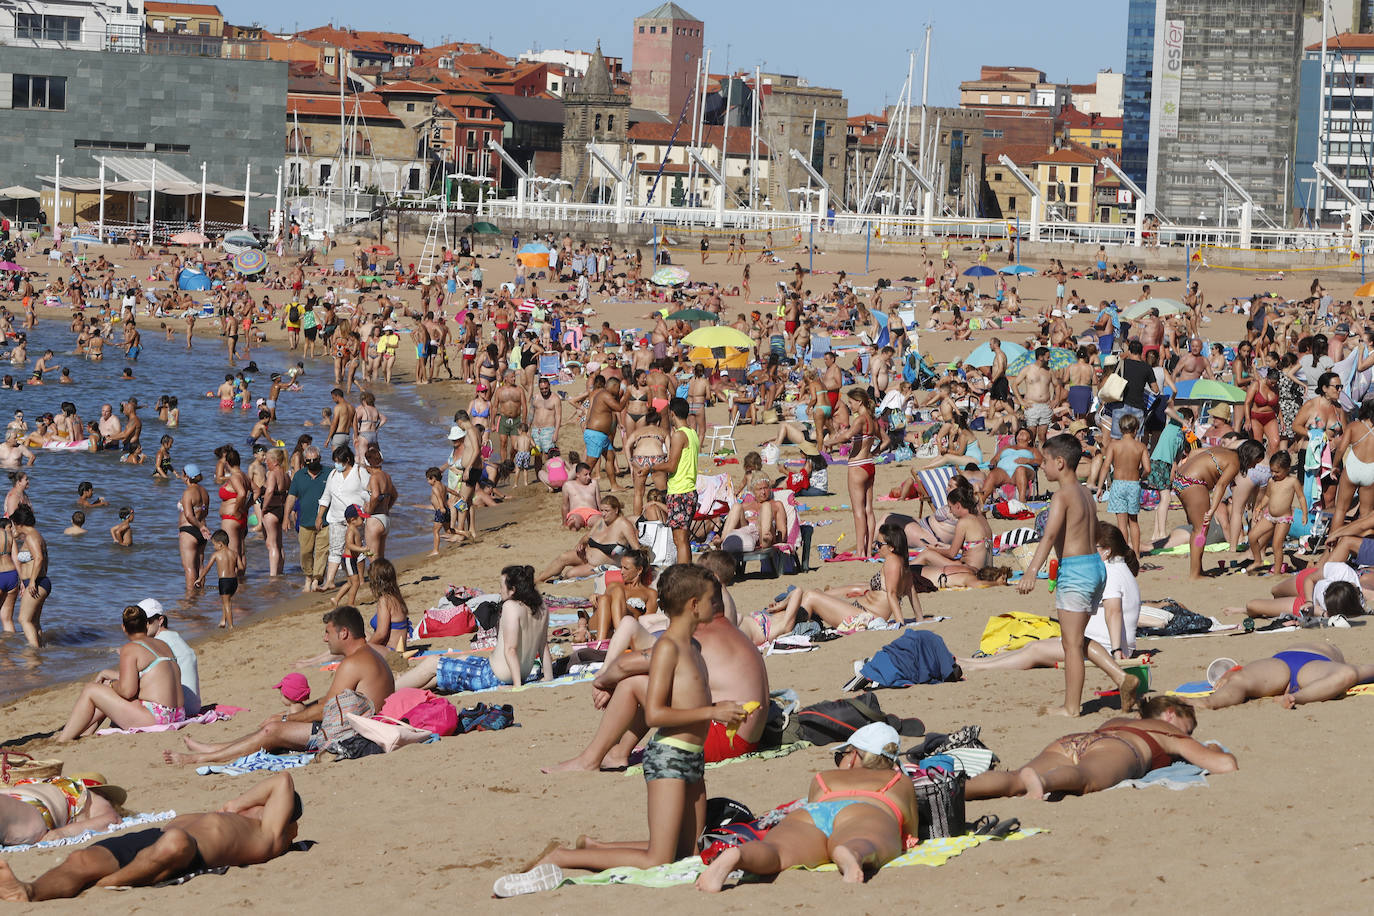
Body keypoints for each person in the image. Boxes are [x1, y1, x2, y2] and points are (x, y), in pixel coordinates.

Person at [499, 565, 744, 896]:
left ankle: (593, 847)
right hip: (669, 757)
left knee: (687, 855)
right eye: (708, 598)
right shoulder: (668, 648)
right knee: (658, 860)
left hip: (693, 759)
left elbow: (689, 696)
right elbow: (656, 712)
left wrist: (722, 711)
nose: (715, 602)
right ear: (692, 605)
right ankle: (563, 857)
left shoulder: (694, 647)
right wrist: (713, 711)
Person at [0, 773, 302, 901]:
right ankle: (30, 891)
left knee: (176, 843)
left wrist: (237, 803)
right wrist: (235, 808)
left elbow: (282, 780)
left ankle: (108, 883)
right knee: (81, 858)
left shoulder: (273, 834)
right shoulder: (233, 819)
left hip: (185, 851)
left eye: (264, 806)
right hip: (153, 836)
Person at [695, 722, 919, 892]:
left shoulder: (824, 778)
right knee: (864, 839)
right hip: (865, 809)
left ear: (853, 757)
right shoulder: (898, 781)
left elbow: (818, 817)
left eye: (841, 755)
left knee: (777, 852)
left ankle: (738, 856)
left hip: (811, 815)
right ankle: (852, 852)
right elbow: (908, 831)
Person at [163, 607, 394, 766]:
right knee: (277, 724)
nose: (325, 639)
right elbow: (331, 702)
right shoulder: (370, 656)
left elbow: (327, 710)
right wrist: (288, 715)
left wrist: (285, 720)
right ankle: (216, 748)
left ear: (344, 633)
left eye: (328, 633)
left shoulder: (353, 663)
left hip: (351, 735)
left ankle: (201, 758)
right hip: (362, 727)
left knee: (272, 731)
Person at [1017, 434, 1139, 716]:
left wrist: (1031, 572)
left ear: (1060, 463)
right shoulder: (1085, 492)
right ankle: (1122, 678)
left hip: (1076, 571)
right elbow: (1095, 531)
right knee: (1076, 638)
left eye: (1045, 462)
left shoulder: (1062, 495)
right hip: (1095, 567)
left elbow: (1048, 536)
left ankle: (1071, 707)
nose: (1042, 467)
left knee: (1070, 645)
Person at [964, 696, 1236, 800]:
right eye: (1188, 727)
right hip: (1118, 747)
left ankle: (956, 791)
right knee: (1086, 778)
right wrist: (1212, 748)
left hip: (1078, 739)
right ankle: (1044, 782)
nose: (1188, 734)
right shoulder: (1170, 732)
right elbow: (1225, 766)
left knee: (1014, 778)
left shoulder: (1119, 719)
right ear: (1169, 714)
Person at [959, 525, 1142, 672]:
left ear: (1107, 551)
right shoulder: (1120, 569)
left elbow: (1114, 611)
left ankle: (976, 666)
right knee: (1033, 646)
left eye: (1092, 547)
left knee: (1035, 650)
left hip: (1102, 646)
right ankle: (973, 662)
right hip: (1093, 641)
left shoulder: (1111, 572)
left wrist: (1116, 651)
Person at [397, 565, 552, 693]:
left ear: (513, 590)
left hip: (492, 677)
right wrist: (548, 677)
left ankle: (387, 689)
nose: (499, 591)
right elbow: (543, 645)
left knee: (433, 663)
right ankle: (401, 689)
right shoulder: (541, 607)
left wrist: (518, 686)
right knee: (457, 663)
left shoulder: (511, 606)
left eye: (501, 587)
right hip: (505, 672)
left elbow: (511, 649)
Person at [57, 605, 183, 741]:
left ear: (123, 627)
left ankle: (63, 739)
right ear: (146, 624)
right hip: (177, 714)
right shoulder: (163, 644)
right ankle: (86, 731)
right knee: (107, 687)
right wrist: (110, 682)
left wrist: (111, 684)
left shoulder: (130, 648)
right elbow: (149, 678)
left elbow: (128, 691)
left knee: (90, 689)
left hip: (157, 718)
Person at [1187, 642, 1374, 709]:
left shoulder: (1322, 649)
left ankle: (1209, 702)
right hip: (1314, 666)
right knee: (1348, 674)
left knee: (1240, 680)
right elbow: (1361, 670)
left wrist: (1233, 673)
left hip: (1283, 661)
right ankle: (1295, 698)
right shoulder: (1332, 652)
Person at [0, 775, 123, 847]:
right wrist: (64, 833)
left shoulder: (44, 782)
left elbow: (112, 819)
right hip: (35, 807)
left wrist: (62, 833)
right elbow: (112, 818)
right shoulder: (84, 793)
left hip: (15, 797)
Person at [538, 496, 640, 582]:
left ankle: (558, 580)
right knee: (563, 557)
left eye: (607, 511)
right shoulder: (601, 521)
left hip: (597, 565)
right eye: (602, 510)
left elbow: (636, 549)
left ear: (616, 510)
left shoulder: (623, 525)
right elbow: (587, 537)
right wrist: (580, 544)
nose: (603, 514)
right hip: (585, 555)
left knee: (570, 574)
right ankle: (539, 580)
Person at [139, 598, 201, 716]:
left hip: (178, 708)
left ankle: (93, 732)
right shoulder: (174, 638)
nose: (142, 626)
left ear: (160, 620)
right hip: (193, 706)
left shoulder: (158, 644)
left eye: (147, 621)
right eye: (139, 622)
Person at [284, 445, 329, 592]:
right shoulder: (298, 476)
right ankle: (308, 577)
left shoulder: (329, 473)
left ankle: (316, 580)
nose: (312, 462)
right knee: (305, 552)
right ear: (304, 460)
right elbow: (291, 497)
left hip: (326, 521)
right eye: (308, 460)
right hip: (305, 521)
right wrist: (286, 517)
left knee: (322, 551)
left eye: (314, 460)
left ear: (320, 459)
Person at [664, 398, 700, 565]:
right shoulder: (692, 433)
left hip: (680, 490)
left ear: (672, 413)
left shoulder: (679, 435)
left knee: (680, 539)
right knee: (682, 538)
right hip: (688, 489)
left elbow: (671, 466)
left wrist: (651, 467)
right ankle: (687, 572)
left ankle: (684, 574)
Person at [196, 530, 244, 629]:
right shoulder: (234, 553)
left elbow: (207, 568)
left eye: (214, 545)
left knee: (227, 604)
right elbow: (241, 567)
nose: (214, 547)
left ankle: (231, 626)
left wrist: (200, 578)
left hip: (224, 581)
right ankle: (223, 621)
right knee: (226, 600)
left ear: (220, 544)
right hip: (234, 581)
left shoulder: (216, 554)